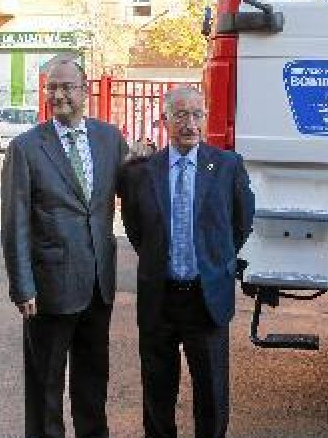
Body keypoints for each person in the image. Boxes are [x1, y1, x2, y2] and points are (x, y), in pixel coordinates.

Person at [1, 55, 128, 438]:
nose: (58, 94)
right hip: (48, 289)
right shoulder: (25, 147)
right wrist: (22, 286)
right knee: (45, 389)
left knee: (93, 386)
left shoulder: (109, 139)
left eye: (66, 87)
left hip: (97, 285)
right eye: (51, 87)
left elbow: (135, 193)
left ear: (84, 91)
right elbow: (14, 222)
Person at [119, 86, 256, 438]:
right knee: (157, 394)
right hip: (159, 298)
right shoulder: (143, 172)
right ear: (165, 120)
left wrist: (215, 261)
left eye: (197, 114)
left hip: (205, 298)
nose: (189, 123)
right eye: (180, 114)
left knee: (211, 394)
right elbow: (137, 229)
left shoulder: (227, 166)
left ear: (206, 118)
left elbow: (241, 223)